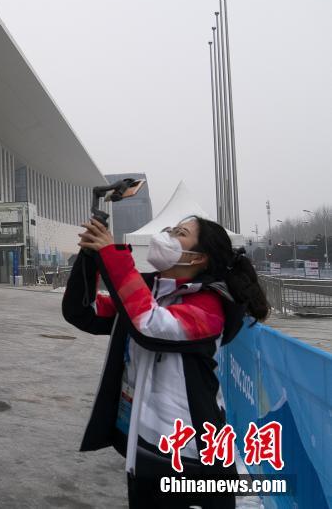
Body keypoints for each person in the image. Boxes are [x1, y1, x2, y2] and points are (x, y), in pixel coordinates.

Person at [63, 216, 270, 509]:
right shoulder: (149, 291)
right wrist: (89, 256)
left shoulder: (210, 306)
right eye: (171, 229)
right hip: (145, 450)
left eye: (180, 233)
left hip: (191, 455)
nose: (168, 235)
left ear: (198, 257)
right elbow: (85, 311)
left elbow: (148, 323)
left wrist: (112, 255)